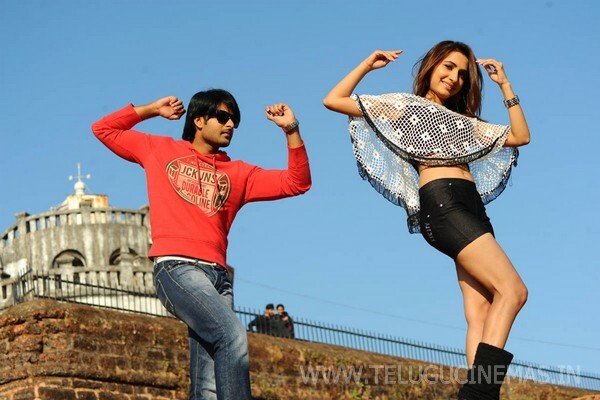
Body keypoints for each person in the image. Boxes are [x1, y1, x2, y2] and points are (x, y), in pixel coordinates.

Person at [323, 41, 530, 400]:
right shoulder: (406, 106)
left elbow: (520, 136)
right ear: (432, 66)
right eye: (448, 67)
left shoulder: (464, 123)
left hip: (472, 209)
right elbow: (334, 99)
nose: (454, 77)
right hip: (444, 203)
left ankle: (481, 393)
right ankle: (480, 394)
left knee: (480, 310)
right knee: (513, 291)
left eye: (462, 74)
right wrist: (367, 64)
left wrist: (505, 86)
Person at [92, 89, 311, 400]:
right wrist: (152, 109)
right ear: (198, 120)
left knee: (207, 382)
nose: (230, 124)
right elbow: (103, 129)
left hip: (220, 280)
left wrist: (291, 129)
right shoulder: (159, 149)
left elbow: (297, 182)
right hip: (177, 269)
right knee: (232, 335)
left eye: (234, 120)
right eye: (222, 117)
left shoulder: (240, 174)